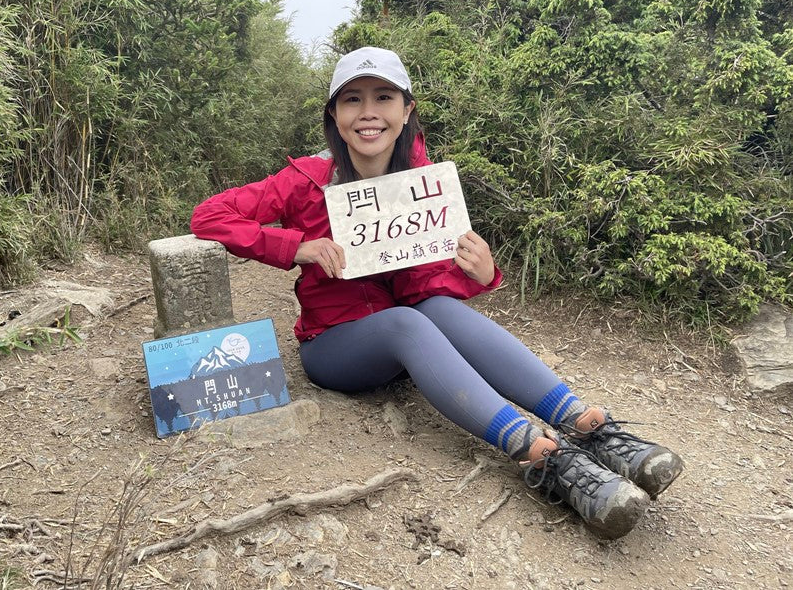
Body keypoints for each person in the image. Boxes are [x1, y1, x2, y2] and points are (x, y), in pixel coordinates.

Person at [190, 47, 683, 539]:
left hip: (407, 331)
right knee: (409, 321)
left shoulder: (423, 182)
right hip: (334, 346)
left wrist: (480, 273)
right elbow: (209, 216)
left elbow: (423, 287)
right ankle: (544, 458)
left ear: (405, 112)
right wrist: (296, 245)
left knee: (435, 307)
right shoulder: (303, 181)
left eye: (383, 97)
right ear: (335, 117)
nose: (368, 112)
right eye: (352, 100)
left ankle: (587, 425)